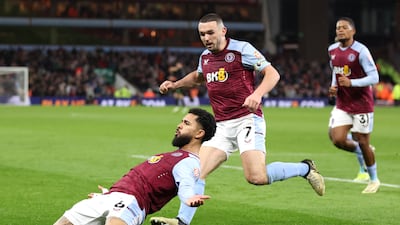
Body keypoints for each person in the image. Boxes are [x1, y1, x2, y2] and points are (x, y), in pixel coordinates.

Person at [151, 13, 325, 225]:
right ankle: (182, 221)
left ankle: (305, 168)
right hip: (221, 126)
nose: (206, 38)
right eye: (202, 34)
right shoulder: (205, 57)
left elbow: (273, 74)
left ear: (223, 31)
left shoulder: (241, 49)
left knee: (256, 177)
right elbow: (198, 77)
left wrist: (257, 94)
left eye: (210, 33)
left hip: (247, 120)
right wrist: (175, 84)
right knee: (196, 172)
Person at [53, 108, 217, 225]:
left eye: (186, 123)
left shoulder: (189, 161)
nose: (179, 125)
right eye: (181, 121)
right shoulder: (174, 155)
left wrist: (188, 198)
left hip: (132, 202)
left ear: (199, 133)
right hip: (110, 197)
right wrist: (110, 193)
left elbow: (187, 183)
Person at [327, 17, 380, 193]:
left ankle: (373, 179)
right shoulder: (332, 50)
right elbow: (336, 71)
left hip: (362, 104)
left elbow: (374, 78)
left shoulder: (361, 51)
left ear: (353, 31)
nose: (340, 30)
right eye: (337, 28)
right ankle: (364, 152)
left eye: (344, 27)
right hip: (343, 103)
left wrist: (352, 83)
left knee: (362, 141)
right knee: (337, 139)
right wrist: (334, 86)